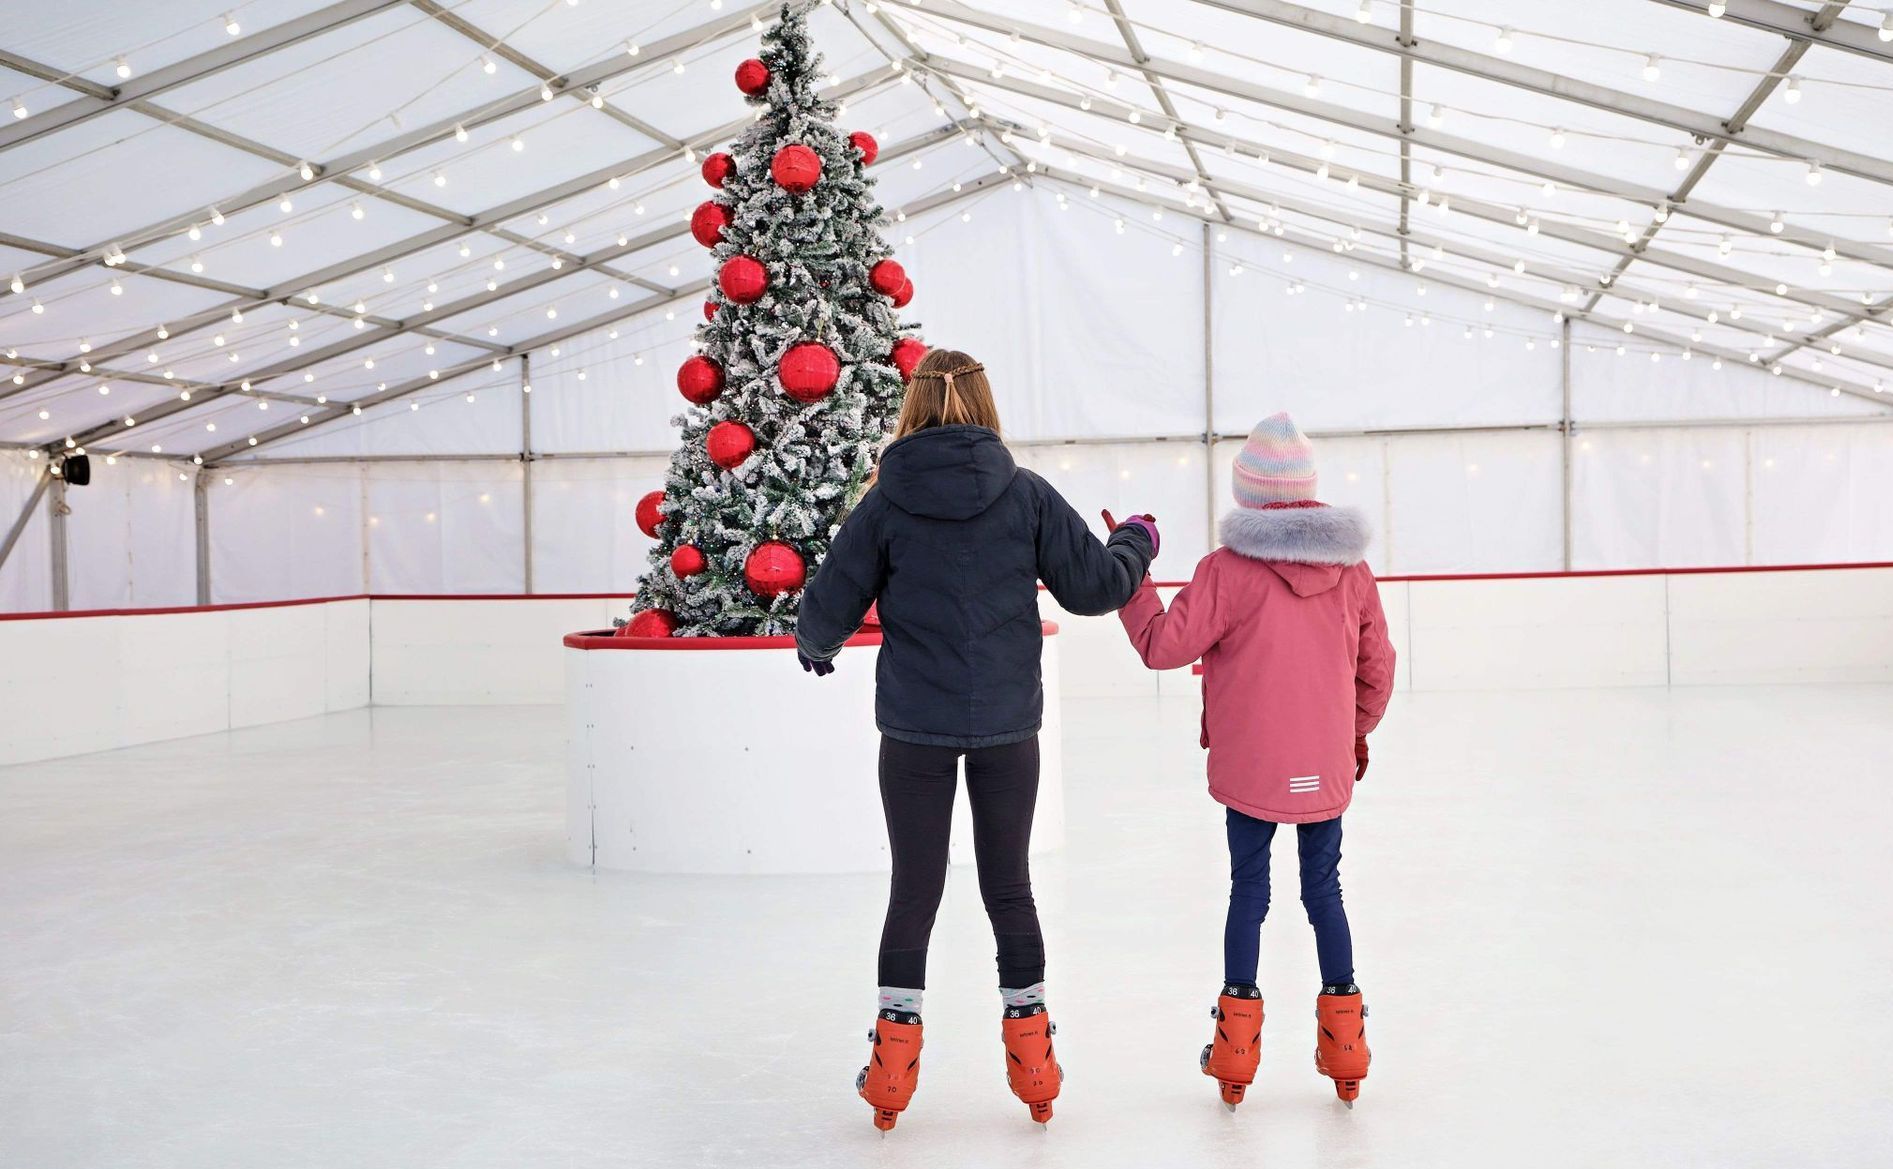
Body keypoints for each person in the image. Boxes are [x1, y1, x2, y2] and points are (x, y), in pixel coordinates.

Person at [795, 349, 1158, 1131]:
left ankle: (891, 1069)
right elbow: (1096, 585)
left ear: (914, 406)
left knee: (914, 888)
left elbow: (828, 602)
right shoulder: (1023, 495)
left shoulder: (885, 501)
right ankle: (1033, 1061)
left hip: (914, 729)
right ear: (984, 404)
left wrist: (816, 646)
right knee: (1008, 886)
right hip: (1004, 725)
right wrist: (1135, 538)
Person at [1115, 412, 1395, 1111]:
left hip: (1250, 769)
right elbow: (1377, 669)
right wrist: (1349, 736)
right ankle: (1347, 1045)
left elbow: (1159, 645)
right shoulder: (1351, 571)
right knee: (1323, 891)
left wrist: (1133, 574)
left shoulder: (1225, 573)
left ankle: (1235, 1047)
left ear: (1248, 495)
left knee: (1249, 891)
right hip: (1323, 766)